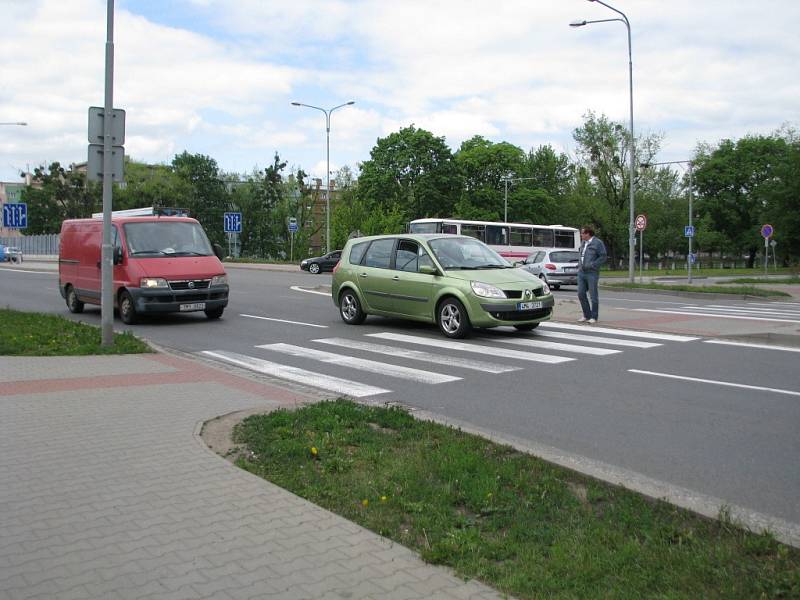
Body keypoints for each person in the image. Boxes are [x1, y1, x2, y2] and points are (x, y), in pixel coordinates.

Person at [577, 226, 607, 324]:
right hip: (582, 272)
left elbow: (603, 256)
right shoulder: (583, 243)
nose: (581, 235)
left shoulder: (598, 243)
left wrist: (593, 265)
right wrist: (579, 264)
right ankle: (586, 315)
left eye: (582, 233)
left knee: (593, 295)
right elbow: (581, 255)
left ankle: (594, 316)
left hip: (592, 272)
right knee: (581, 293)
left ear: (588, 234)